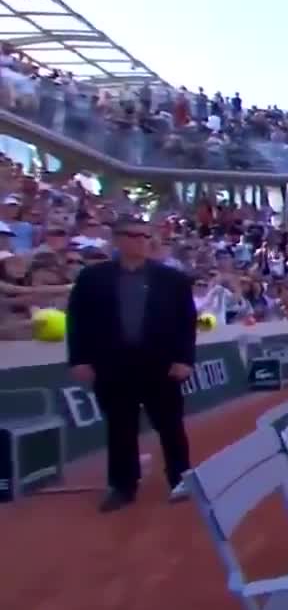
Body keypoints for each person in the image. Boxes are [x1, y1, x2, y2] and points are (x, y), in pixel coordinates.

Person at [65, 215, 198, 513]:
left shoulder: (172, 279)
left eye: (145, 236)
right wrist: (79, 358)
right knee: (120, 427)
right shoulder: (92, 278)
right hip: (112, 365)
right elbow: (77, 321)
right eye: (133, 235)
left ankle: (181, 478)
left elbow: (186, 322)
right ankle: (123, 485)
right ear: (117, 239)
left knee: (170, 425)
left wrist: (184, 359)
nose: (141, 241)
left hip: (160, 365)